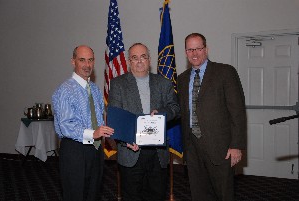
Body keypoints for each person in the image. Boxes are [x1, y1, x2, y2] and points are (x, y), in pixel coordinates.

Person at [177, 33, 247, 201]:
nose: (194, 53)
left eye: (198, 48)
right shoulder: (181, 79)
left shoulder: (225, 72)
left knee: (224, 194)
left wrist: (236, 145)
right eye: (190, 49)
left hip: (221, 149)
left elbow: (237, 112)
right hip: (192, 147)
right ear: (186, 52)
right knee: (199, 193)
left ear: (206, 49)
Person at [108, 43, 180, 201]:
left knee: (156, 195)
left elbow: (175, 108)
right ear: (129, 61)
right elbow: (115, 117)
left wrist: (163, 114)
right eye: (135, 58)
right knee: (132, 196)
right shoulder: (118, 84)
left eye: (143, 57)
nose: (139, 61)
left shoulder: (164, 83)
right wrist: (126, 140)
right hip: (130, 150)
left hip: (157, 153)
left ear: (149, 59)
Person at [52, 45, 114, 201]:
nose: (87, 65)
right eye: (82, 60)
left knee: (93, 194)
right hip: (75, 150)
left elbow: (99, 119)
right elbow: (65, 125)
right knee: (76, 195)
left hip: (96, 149)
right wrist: (93, 133)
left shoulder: (94, 89)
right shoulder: (65, 90)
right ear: (73, 62)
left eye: (90, 60)